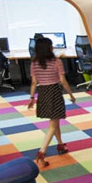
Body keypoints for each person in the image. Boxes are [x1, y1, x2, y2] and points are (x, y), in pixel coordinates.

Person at [27, 37, 76, 168]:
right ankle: (42, 151)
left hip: (42, 93)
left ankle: (60, 145)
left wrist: (32, 98)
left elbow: (33, 83)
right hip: (54, 92)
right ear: (49, 48)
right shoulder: (57, 62)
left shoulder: (34, 63)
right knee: (53, 124)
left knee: (55, 120)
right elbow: (63, 81)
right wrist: (71, 94)